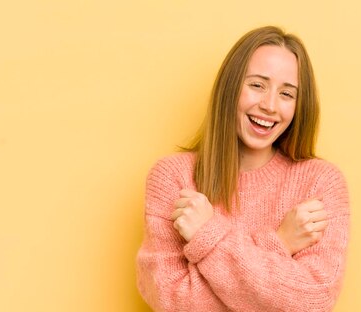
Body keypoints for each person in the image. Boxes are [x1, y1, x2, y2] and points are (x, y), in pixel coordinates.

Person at [136, 26, 350, 312]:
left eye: (287, 93)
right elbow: (173, 301)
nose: (270, 106)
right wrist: (279, 244)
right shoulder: (173, 177)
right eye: (257, 85)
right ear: (231, 87)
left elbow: (312, 302)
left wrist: (208, 233)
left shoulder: (320, 183)